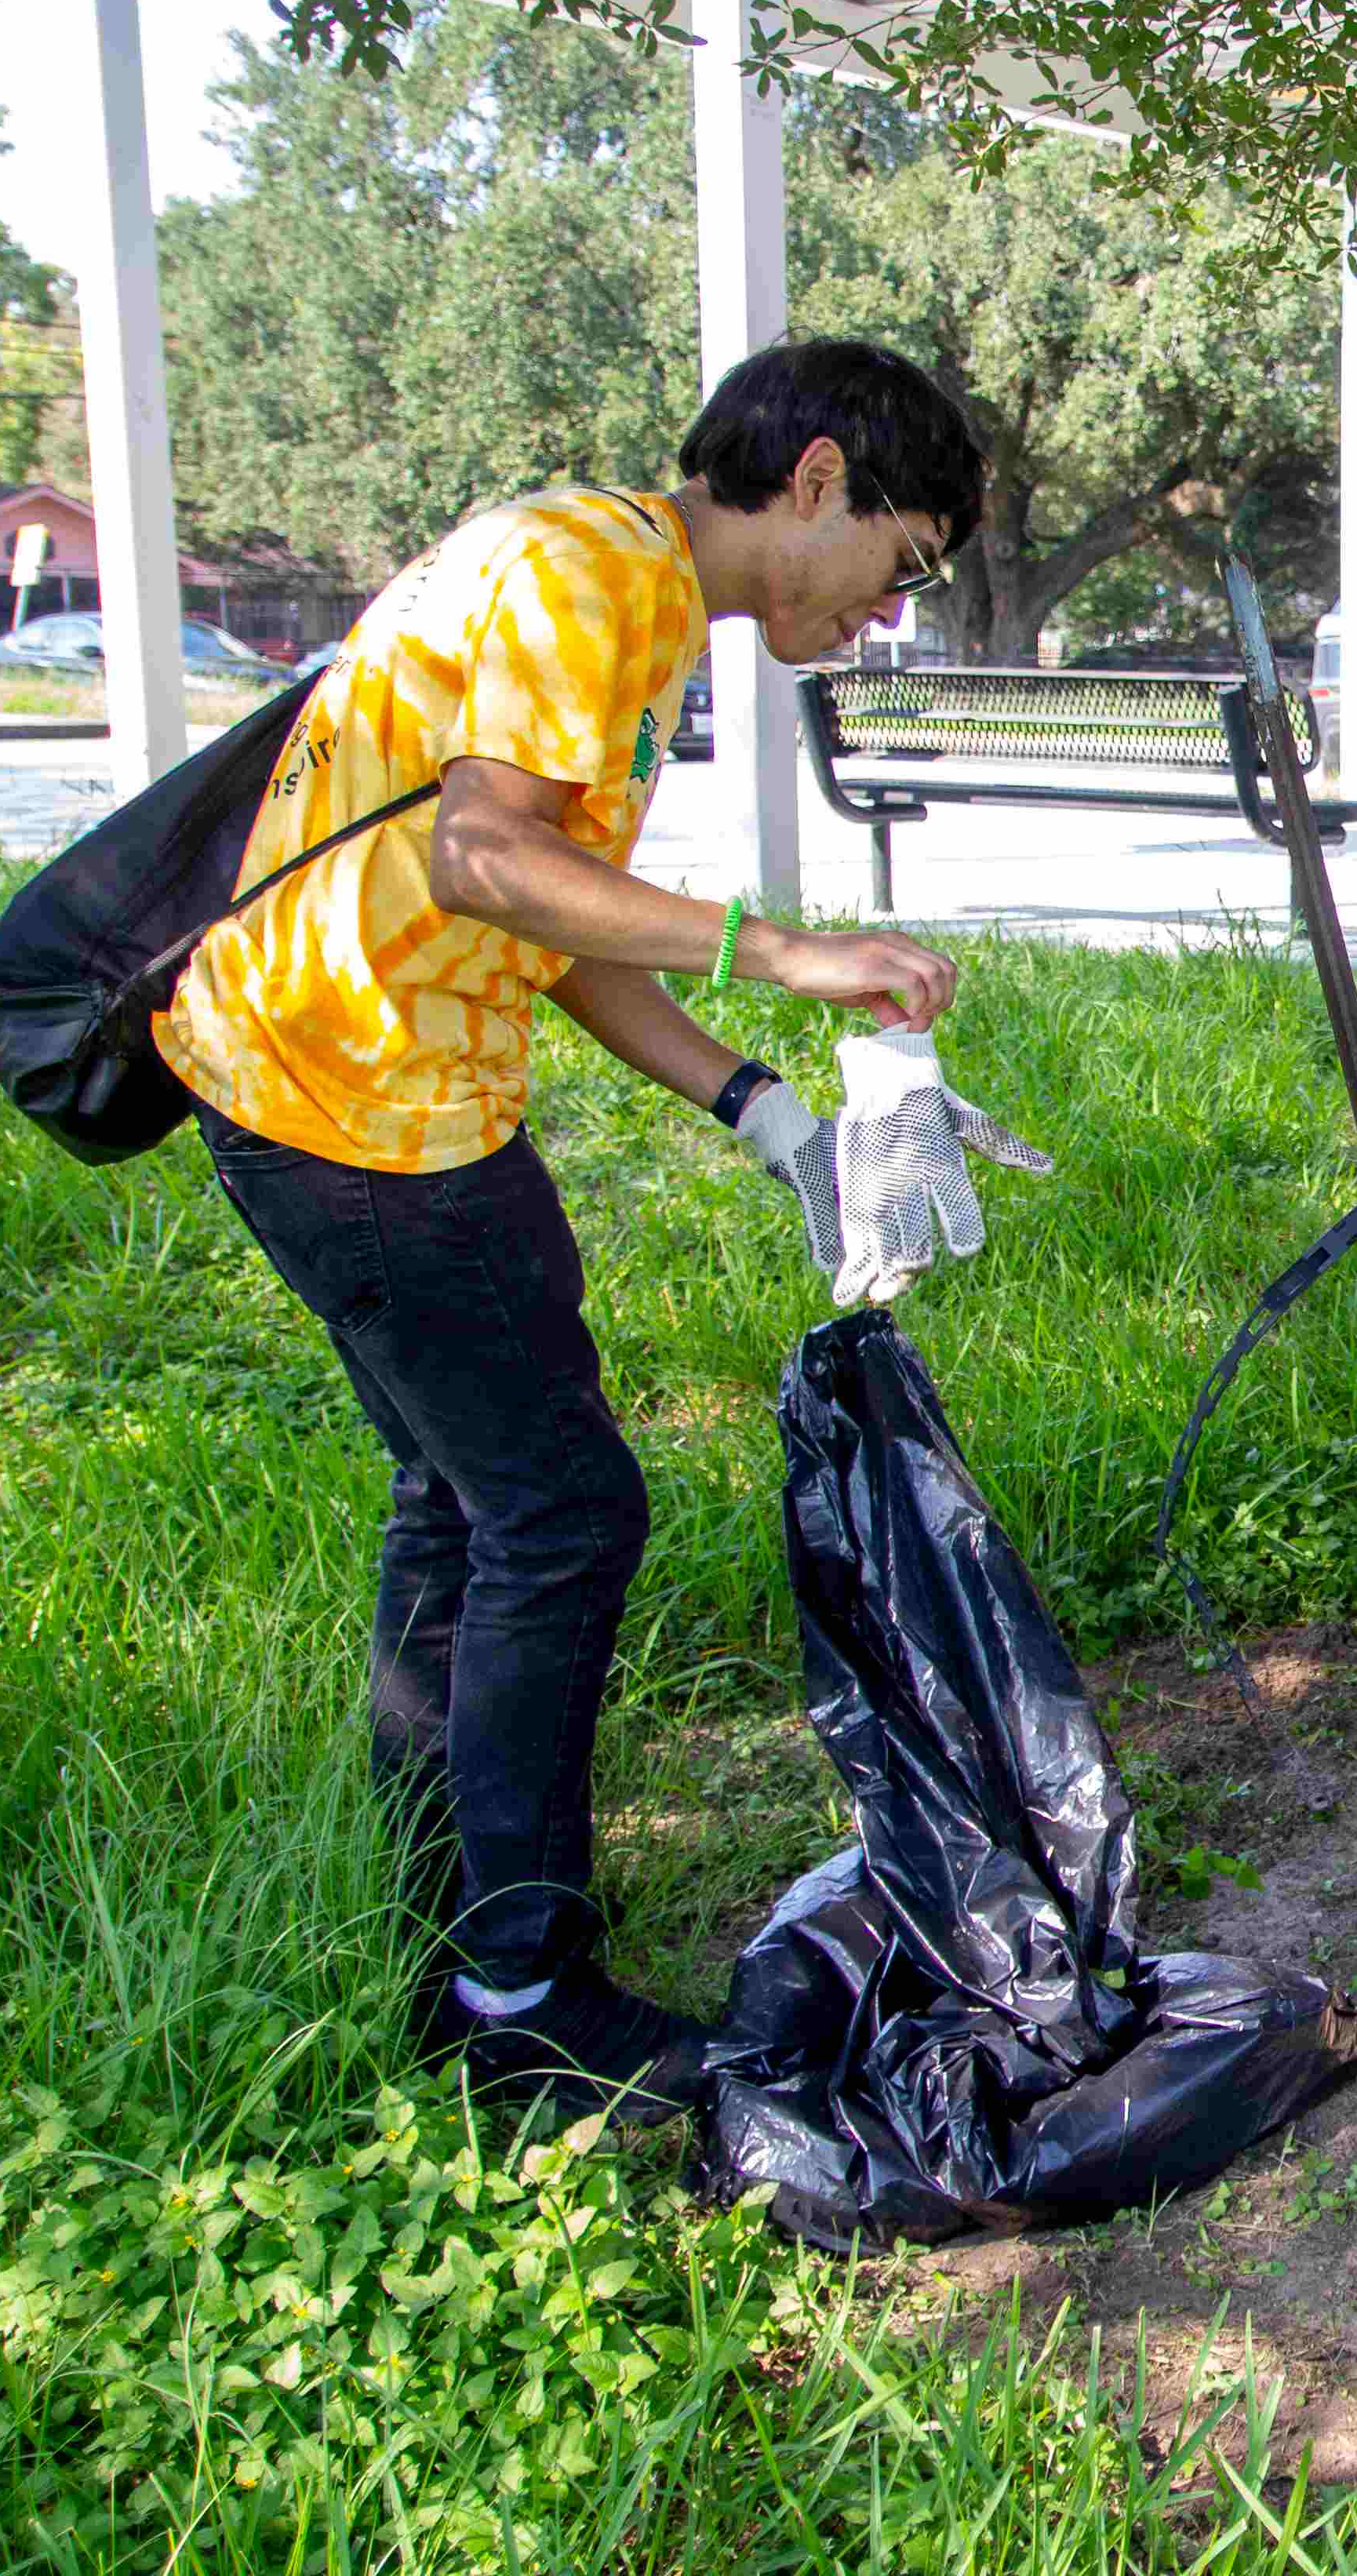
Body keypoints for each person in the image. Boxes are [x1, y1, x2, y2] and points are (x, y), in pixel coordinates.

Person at [162, 339, 1031, 2123]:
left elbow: (555, 926)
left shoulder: (610, 587)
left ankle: (449, 1928)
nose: (889, 608)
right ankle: (523, 2001)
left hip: (363, 1087)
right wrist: (791, 947)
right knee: (562, 1512)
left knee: (470, 1505)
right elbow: (487, 859)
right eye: (905, 556)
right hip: (360, 1108)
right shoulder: (587, 576)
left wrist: (766, 1110)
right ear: (811, 479)